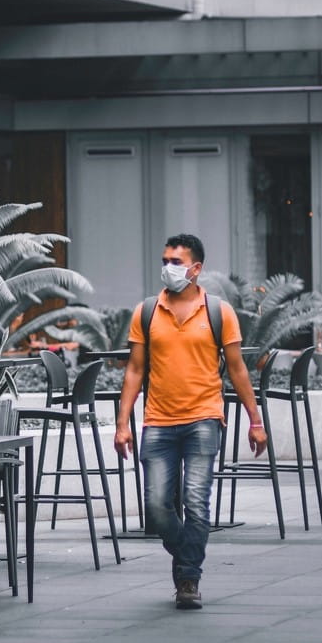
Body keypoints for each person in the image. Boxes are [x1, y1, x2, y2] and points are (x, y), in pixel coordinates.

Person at [113, 233, 267, 610]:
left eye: (177, 262)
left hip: (203, 419)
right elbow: (134, 370)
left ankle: (187, 580)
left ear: (196, 269)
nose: (169, 267)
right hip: (158, 422)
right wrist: (122, 423)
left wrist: (255, 419)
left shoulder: (218, 312)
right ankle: (188, 555)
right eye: (165, 259)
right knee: (156, 507)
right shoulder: (146, 311)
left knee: (197, 504)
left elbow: (237, 370)